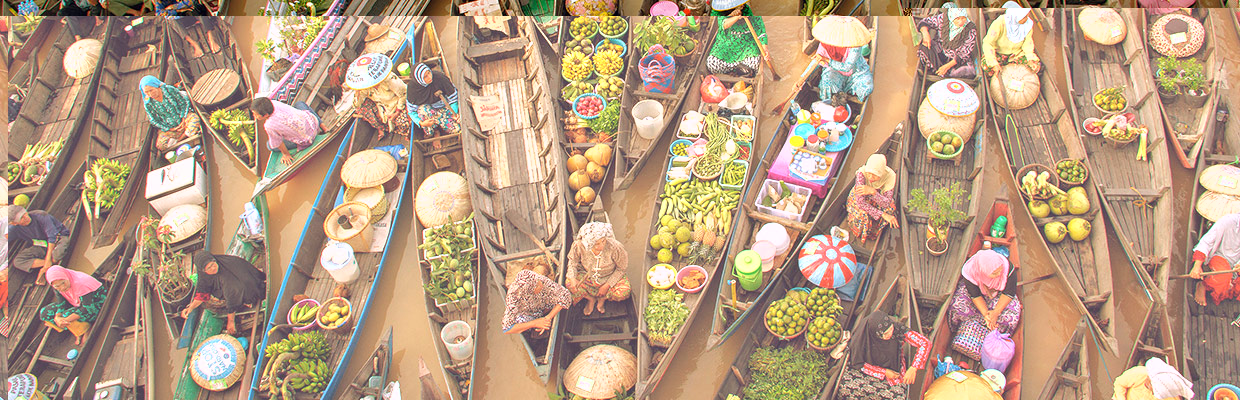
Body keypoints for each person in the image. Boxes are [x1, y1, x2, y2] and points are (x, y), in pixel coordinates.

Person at [837, 311, 930, 399]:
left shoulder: (897, 330)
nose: (890, 334)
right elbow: (858, 363)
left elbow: (925, 343)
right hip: (867, 370)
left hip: (893, 367)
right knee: (845, 388)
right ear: (876, 334)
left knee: (898, 396)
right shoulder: (863, 339)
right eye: (885, 334)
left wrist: (914, 368)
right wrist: (883, 372)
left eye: (891, 329)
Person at [179, 252, 265, 335]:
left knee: (238, 295)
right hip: (234, 288)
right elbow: (202, 293)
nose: (213, 268)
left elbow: (232, 301)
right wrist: (190, 308)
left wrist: (231, 322)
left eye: (213, 264)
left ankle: (248, 302)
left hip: (250, 286)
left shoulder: (228, 278)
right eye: (209, 268)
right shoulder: (204, 275)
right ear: (203, 270)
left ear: (215, 260)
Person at [949, 246, 1022, 335]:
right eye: (995, 273)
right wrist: (986, 315)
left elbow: (1009, 293)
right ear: (982, 271)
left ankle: (994, 331)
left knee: (1011, 318)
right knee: (957, 307)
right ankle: (967, 328)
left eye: (1000, 271)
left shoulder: (1007, 267)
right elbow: (975, 295)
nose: (999, 274)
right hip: (979, 293)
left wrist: (996, 313)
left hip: (999, 294)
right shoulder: (971, 271)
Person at [566, 222, 631, 316]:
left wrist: (607, 285)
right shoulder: (579, 245)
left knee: (624, 291)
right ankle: (590, 299)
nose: (601, 246)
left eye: (603, 241)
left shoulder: (615, 247)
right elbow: (572, 262)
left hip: (609, 276)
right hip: (587, 276)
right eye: (596, 244)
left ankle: (603, 298)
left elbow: (621, 269)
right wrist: (572, 279)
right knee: (569, 283)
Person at [347, 54, 411, 140]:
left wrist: (397, 112)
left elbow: (404, 94)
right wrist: (357, 92)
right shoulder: (366, 86)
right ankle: (381, 128)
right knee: (360, 109)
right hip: (383, 110)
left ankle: (403, 130)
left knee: (404, 123)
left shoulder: (389, 80)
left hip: (398, 106)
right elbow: (357, 105)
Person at [39, 266, 106, 345]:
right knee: (44, 313)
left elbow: (87, 308)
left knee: (65, 316)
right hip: (77, 303)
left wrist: (65, 319)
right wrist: (57, 317)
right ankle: (78, 329)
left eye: (63, 283)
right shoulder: (56, 286)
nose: (62, 287)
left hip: (95, 306)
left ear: (66, 277)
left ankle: (85, 329)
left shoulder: (81, 283)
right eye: (57, 286)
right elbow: (61, 303)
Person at [6, 205, 70, 284]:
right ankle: (49, 263)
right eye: (21, 218)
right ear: (14, 223)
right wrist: (47, 261)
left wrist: (48, 259)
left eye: (24, 214)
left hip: (58, 239)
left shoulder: (40, 216)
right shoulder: (13, 229)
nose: (25, 217)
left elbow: (52, 237)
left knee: (58, 254)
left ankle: (48, 264)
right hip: (41, 245)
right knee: (18, 262)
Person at [251, 96, 322, 166]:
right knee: (299, 104)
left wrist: (286, 154)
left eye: (256, 115)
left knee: (269, 145)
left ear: (265, 115)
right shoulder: (274, 103)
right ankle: (323, 126)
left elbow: (277, 143)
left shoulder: (269, 125)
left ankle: (289, 151)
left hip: (307, 138)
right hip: (313, 123)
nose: (254, 116)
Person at [1189, 213, 1240, 306]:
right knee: (1223, 278)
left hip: (1236, 265)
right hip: (1219, 257)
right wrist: (1197, 266)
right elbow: (1206, 243)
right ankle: (1202, 285)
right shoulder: (1227, 222)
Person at [845, 154, 898, 244]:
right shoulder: (861, 174)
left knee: (891, 208)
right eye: (869, 173)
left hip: (876, 195)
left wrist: (873, 192)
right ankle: (860, 232)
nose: (870, 177)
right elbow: (860, 202)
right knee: (862, 215)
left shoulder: (890, 176)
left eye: (875, 175)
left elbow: (886, 203)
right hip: (860, 197)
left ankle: (875, 228)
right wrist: (883, 214)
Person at [917, 4, 979, 78]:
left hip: (956, 59)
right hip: (941, 50)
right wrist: (925, 33)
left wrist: (947, 66)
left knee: (960, 72)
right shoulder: (943, 19)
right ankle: (937, 72)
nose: (961, 22)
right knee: (924, 48)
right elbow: (926, 22)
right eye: (957, 19)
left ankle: (942, 73)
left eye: (963, 18)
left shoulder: (971, 29)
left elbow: (964, 53)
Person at [501, 270, 572, 335]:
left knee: (558, 298)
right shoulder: (513, 297)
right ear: (529, 291)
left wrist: (548, 317)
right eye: (537, 286)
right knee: (519, 321)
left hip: (544, 305)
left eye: (538, 282)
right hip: (529, 313)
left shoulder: (540, 280)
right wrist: (534, 323)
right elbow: (506, 329)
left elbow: (566, 295)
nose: (540, 284)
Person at [140, 75, 200, 152]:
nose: (150, 94)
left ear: (156, 86)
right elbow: (153, 121)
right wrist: (169, 128)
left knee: (195, 119)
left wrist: (183, 118)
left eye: (151, 90)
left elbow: (184, 102)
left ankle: (182, 138)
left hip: (183, 121)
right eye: (146, 92)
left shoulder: (169, 90)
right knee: (160, 145)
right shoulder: (148, 104)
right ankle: (184, 138)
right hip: (171, 129)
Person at [981, 2, 1041, 76]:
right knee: (987, 65)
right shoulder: (1000, 23)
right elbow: (988, 43)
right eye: (1024, 17)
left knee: (1035, 65)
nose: (1027, 18)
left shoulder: (1027, 25)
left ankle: (1011, 67)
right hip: (999, 52)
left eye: (1027, 15)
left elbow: (1028, 43)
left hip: (1016, 53)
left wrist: (1030, 58)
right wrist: (994, 63)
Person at [405, 63, 461, 141]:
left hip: (446, 108)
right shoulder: (413, 89)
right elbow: (411, 111)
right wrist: (422, 123)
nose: (430, 77)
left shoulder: (440, 78)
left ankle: (442, 126)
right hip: (431, 113)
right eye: (425, 77)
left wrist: (454, 113)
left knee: (457, 129)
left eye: (429, 72)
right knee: (422, 110)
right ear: (419, 79)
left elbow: (453, 98)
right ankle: (435, 131)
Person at [705, 13, 765, 78]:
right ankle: (732, 72)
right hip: (726, 44)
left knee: (754, 65)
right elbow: (724, 25)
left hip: (747, 45)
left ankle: (741, 72)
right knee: (712, 63)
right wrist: (737, 17)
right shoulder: (724, 10)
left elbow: (761, 33)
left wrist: (765, 50)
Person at [1113, 357, 1194, 400]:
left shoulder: (1170, 398)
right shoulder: (1138, 373)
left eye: (1151, 384)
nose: (1148, 382)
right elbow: (1119, 383)